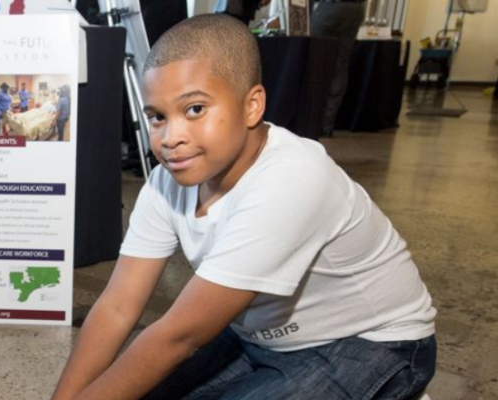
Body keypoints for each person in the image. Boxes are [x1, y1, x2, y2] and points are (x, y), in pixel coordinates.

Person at [51, 15, 436, 400]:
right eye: (157, 117)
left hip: (371, 344)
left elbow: (179, 336)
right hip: (257, 336)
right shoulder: (165, 183)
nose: (171, 138)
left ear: (252, 106)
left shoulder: (290, 179)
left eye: (195, 109)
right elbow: (117, 306)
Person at [312, 0, 367, 136]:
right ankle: (326, 124)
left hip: (332, 6)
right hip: (357, 8)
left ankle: (309, 120)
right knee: (340, 66)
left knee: (312, 57)